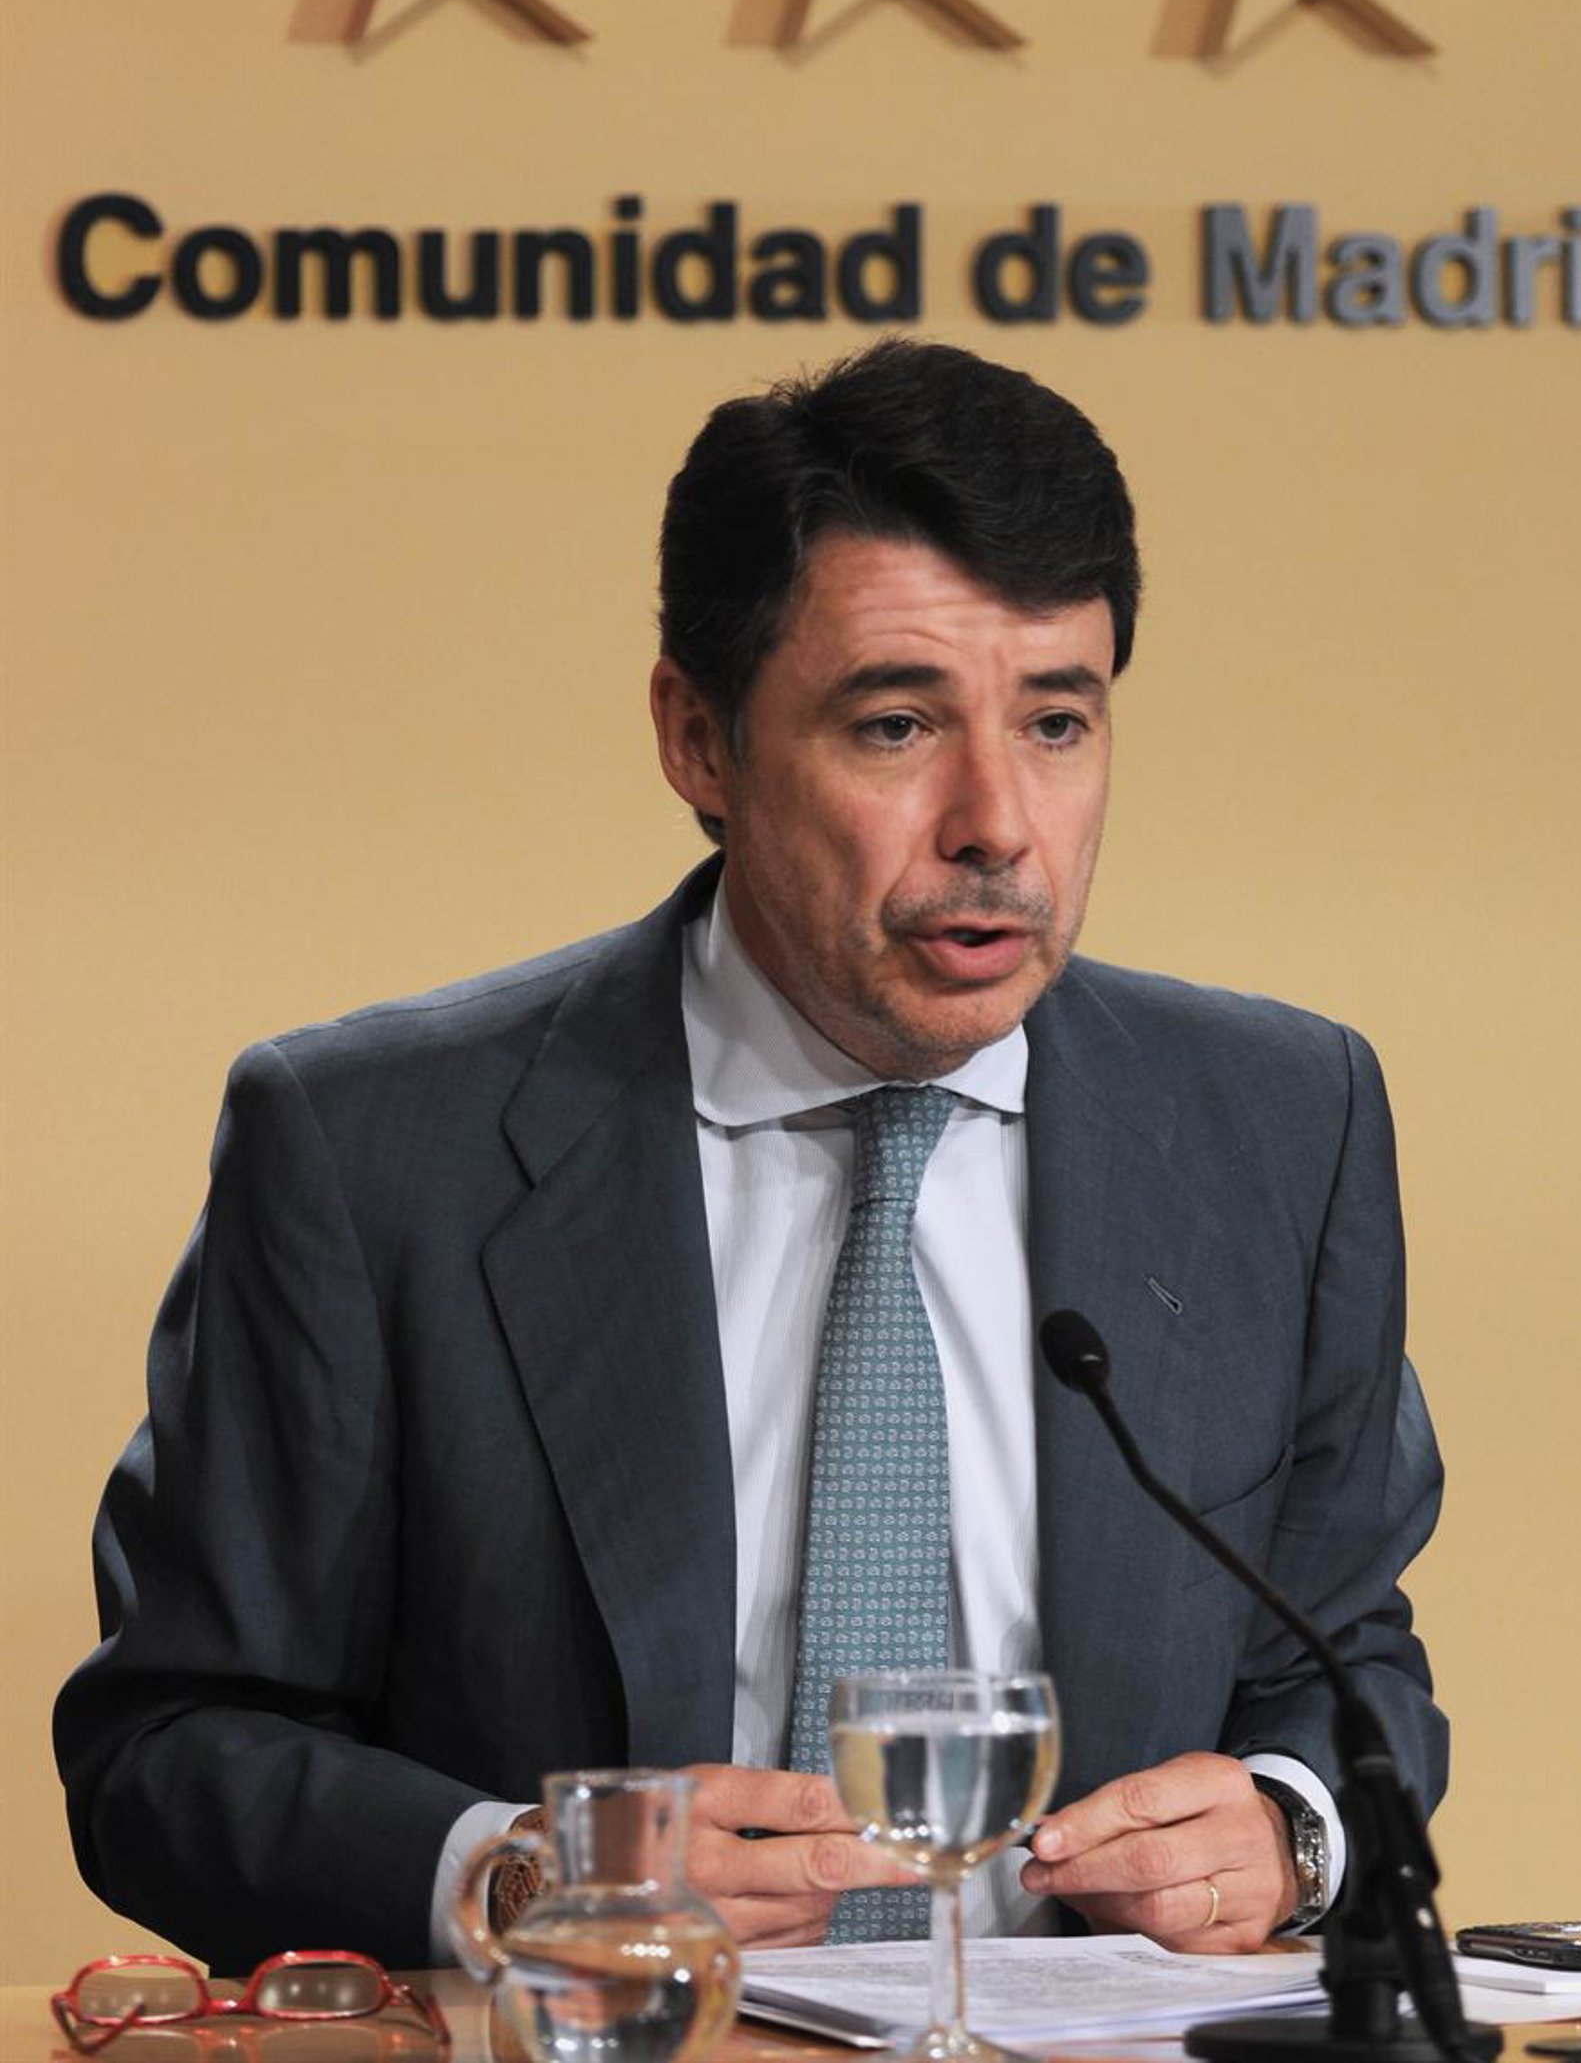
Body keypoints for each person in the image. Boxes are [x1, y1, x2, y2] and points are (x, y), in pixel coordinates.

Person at [56, 339, 1446, 1976]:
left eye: (1058, 722)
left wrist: (1294, 1826)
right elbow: (167, 1745)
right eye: (897, 724)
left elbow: (1347, 1660)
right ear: (699, 740)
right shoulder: (373, 1153)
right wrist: (524, 1874)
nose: (999, 821)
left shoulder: (1277, 1122)